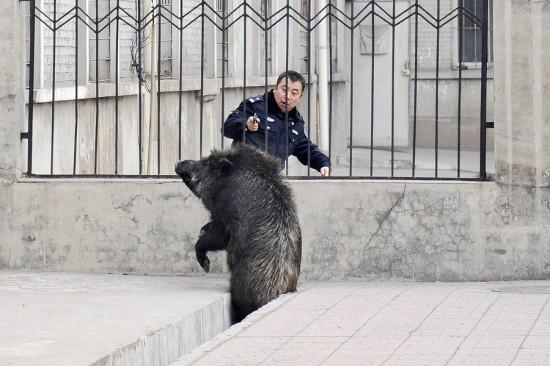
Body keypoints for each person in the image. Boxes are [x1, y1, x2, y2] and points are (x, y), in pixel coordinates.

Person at [223, 70, 331, 176]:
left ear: (300, 97)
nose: (287, 96)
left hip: (271, 180)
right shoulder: (254, 106)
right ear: (275, 88)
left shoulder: (295, 123)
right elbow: (227, 127)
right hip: (242, 175)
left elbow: (306, 149)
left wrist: (323, 163)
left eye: (294, 93)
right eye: (284, 90)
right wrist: (246, 125)